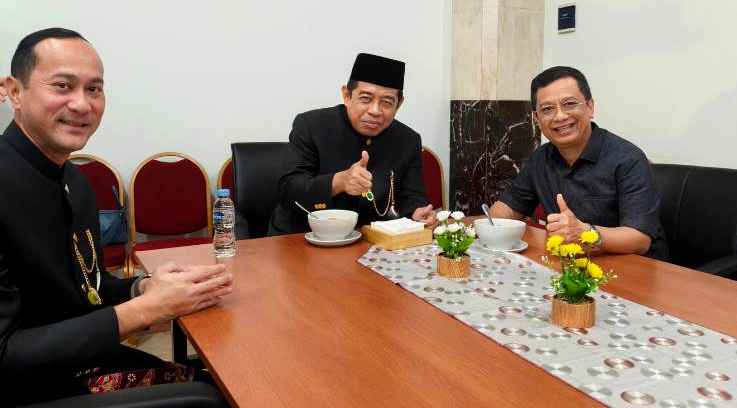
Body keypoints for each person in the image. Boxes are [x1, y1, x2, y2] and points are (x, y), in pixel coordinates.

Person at [0, 28, 234, 405]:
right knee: (214, 397)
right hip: (35, 390)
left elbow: (87, 287)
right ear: (13, 91)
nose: (82, 104)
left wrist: (143, 289)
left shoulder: (75, 181)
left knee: (229, 377)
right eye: (62, 86)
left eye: (94, 89)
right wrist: (143, 311)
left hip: (82, 361)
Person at [489, 66, 667, 261]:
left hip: (632, 266)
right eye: (547, 109)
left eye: (569, 104)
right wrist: (489, 225)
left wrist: (584, 233)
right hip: (570, 263)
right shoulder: (540, 159)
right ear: (537, 118)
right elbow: (508, 207)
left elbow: (640, 240)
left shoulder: (628, 159)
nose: (560, 116)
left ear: (590, 107)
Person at [268, 53, 436, 236]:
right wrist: (339, 181)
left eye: (387, 102)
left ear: (399, 104)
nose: (375, 111)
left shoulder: (408, 140)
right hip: (300, 236)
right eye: (365, 99)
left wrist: (416, 213)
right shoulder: (311, 125)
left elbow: (412, 196)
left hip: (368, 239)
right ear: (347, 95)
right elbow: (288, 190)